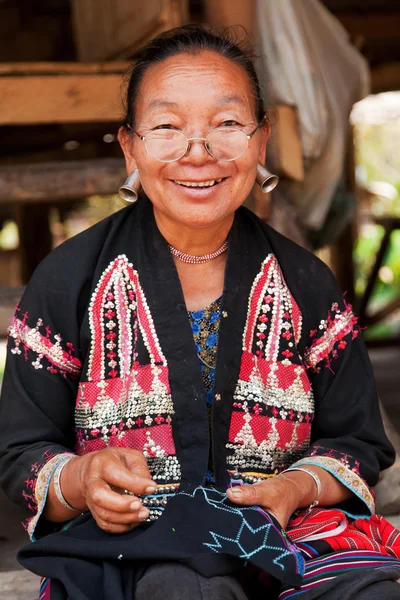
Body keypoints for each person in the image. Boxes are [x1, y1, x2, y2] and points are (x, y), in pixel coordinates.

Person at [0, 24, 400, 600]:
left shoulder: (307, 284)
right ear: (130, 146)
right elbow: (20, 451)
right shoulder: (68, 282)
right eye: (166, 127)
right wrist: (84, 481)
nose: (198, 152)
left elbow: (359, 443)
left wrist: (291, 490)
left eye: (227, 124)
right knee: (183, 588)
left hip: (292, 539)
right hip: (139, 546)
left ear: (260, 144)